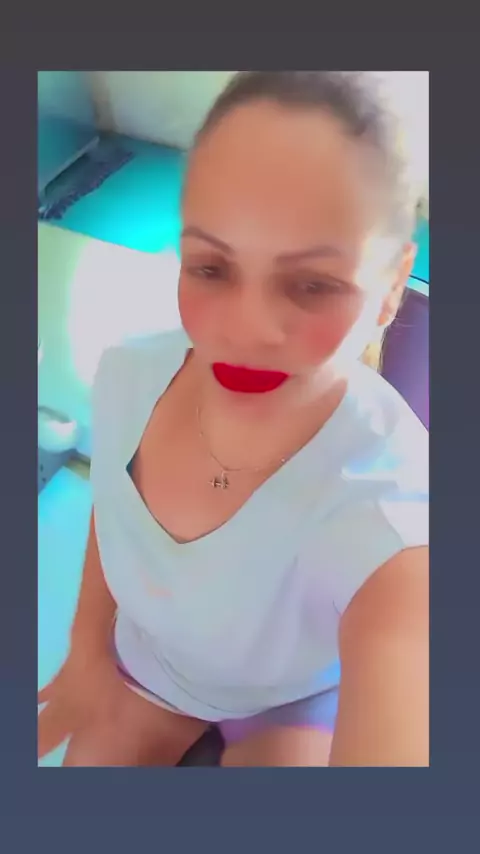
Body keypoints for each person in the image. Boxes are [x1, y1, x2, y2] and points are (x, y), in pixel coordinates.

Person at [38, 71, 429, 767]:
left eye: (312, 284)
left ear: (392, 286)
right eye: (211, 267)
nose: (247, 330)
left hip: (298, 702)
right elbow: (115, 511)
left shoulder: (393, 513)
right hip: (151, 665)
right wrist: (87, 649)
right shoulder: (129, 373)